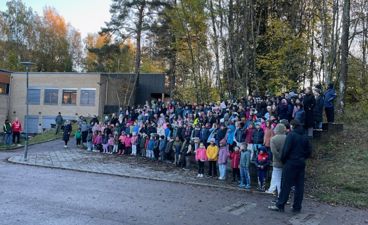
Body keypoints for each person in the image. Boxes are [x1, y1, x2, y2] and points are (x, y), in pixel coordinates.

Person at [269, 120, 312, 213]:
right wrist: (303, 157)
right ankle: (297, 207)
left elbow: (286, 150)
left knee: (286, 185)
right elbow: (309, 151)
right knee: (299, 186)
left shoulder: (291, 135)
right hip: (301, 163)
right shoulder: (305, 136)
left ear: (293, 126)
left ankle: (280, 205)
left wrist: (284, 160)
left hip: (291, 162)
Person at [266, 123, 287, 197]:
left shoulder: (273, 139)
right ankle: (278, 191)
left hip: (277, 161)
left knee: (276, 176)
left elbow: (274, 151)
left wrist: (279, 158)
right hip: (286, 161)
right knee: (283, 178)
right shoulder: (287, 138)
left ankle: (276, 191)